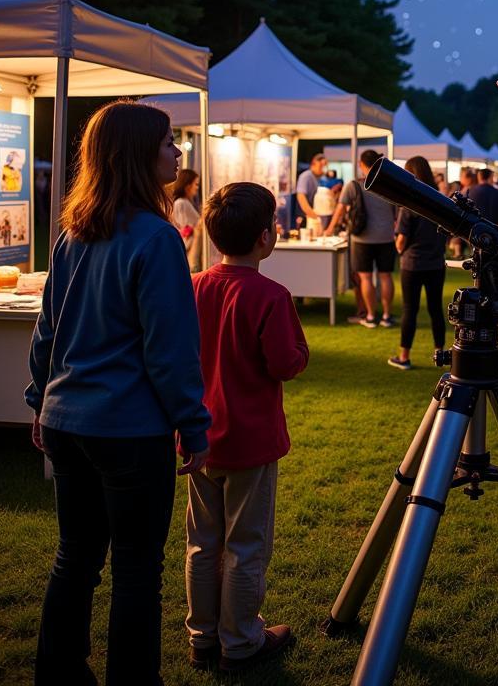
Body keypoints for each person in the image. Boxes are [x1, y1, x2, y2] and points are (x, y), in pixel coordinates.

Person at [25, 100, 211, 686]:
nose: (177, 154)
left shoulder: (74, 233)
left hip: (67, 420)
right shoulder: (156, 239)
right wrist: (195, 424)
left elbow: (46, 330)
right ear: (137, 154)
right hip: (127, 430)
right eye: (167, 144)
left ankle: (57, 672)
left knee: (75, 556)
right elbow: (170, 348)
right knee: (135, 567)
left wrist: (39, 400)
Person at [186, 182, 309, 673]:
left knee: (202, 542)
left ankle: (203, 637)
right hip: (250, 439)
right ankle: (240, 642)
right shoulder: (270, 295)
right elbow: (284, 363)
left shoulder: (194, 285)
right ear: (265, 237)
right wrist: (301, 353)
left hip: (200, 438)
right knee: (245, 545)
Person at [325, 149, 397, 328]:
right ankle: (387, 316)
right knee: (385, 277)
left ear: (361, 164)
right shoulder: (388, 184)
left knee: (365, 278)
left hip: (362, 238)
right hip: (386, 237)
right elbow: (397, 211)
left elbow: (340, 210)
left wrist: (328, 230)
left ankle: (371, 316)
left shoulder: (354, 185)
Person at [391, 155, 449, 370]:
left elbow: (400, 242)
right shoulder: (440, 200)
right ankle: (440, 353)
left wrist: (399, 246)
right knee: (436, 309)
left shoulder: (409, 203)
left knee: (410, 310)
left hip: (413, 263)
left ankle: (404, 356)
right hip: (435, 263)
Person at [171, 168, 204, 273]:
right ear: (187, 185)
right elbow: (187, 230)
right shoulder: (182, 203)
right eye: (196, 184)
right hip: (190, 249)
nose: (197, 188)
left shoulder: (186, 202)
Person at [295, 153, 328, 234]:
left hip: (314, 217)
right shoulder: (306, 176)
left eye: (325, 166)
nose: (323, 168)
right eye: (321, 165)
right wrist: (314, 216)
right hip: (306, 218)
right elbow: (301, 198)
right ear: (314, 163)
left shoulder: (320, 178)